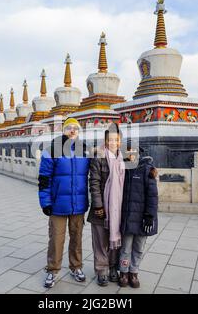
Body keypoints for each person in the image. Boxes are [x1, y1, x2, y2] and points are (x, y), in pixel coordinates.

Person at [38, 118, 90, 288]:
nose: (72, 131)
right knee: (56, 238)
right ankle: (52, 270)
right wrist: (45, 202)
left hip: (78, 204)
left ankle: (76, 267)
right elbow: (44, 179)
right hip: (57, 204)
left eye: (76, 128)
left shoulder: (85, 150)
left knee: (77, 238)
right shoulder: (52, 150)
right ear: (63, 130)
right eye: (69, 128)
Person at [87, 123, 125, 286]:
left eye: (116, 140)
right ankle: (101, 270)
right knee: (101, 241)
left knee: (115, 240)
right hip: (101, 208)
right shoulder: (99, 158)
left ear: (120, 141)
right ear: (105, 140)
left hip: (118, 208)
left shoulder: (124, 159)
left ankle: (112, 267)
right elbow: (94, 183)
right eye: (110, 140)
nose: (113, 143)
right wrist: (98, 206)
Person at [118, 144, 159, 288]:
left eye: (133, 151)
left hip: (143, 218)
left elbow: (153, 196)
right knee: (125, 248)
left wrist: (150, 216)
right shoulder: (122, 169)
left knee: (139, 247)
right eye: (127, 152)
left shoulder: (147, 170)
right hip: (128, 218)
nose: (131, 154)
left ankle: (134, 272)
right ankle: (123, 272)